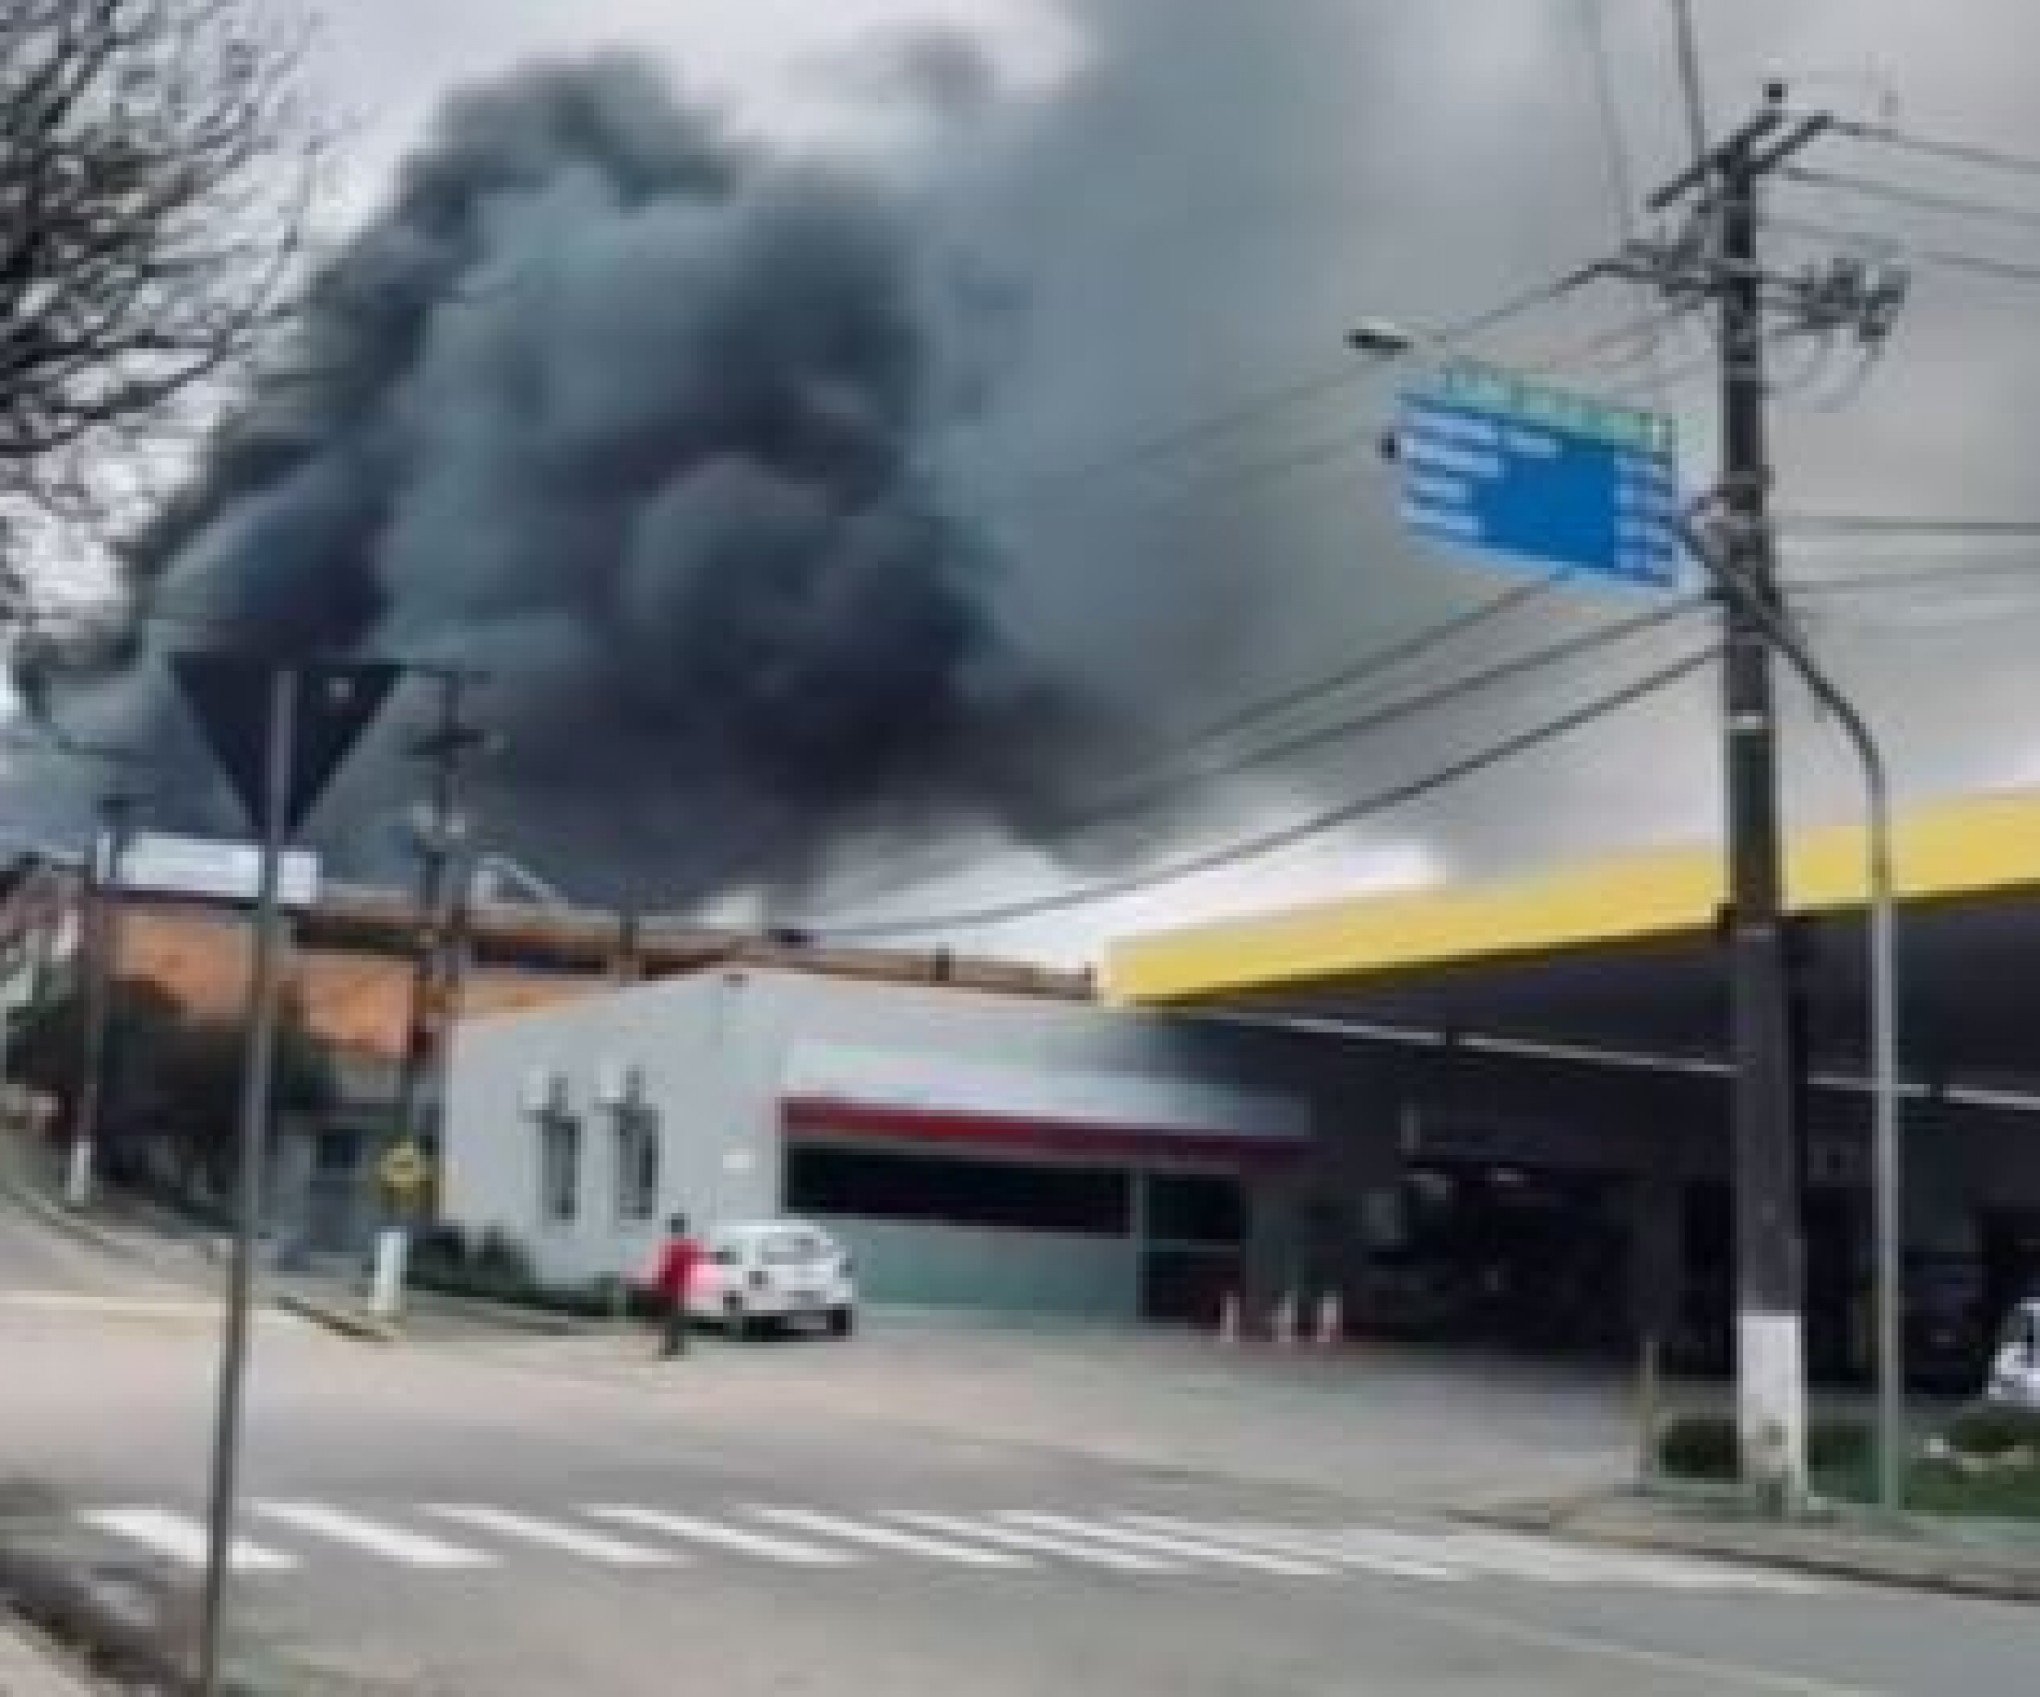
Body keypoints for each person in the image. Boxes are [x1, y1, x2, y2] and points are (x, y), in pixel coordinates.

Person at [652, 1212, 702, 1358]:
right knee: (680, 1318)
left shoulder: (670, 1248)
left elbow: (665, 1270)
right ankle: (679, 1346)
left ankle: (672, 1348)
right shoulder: (691, 1246)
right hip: (685, 1288)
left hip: (672, 1288)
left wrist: (659, 1287)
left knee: (671, 1319)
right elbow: (697, 1266)